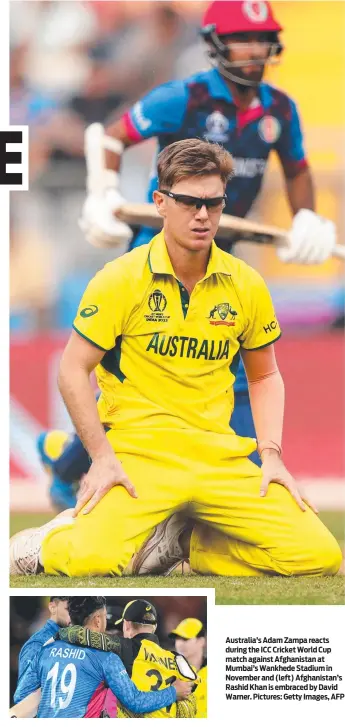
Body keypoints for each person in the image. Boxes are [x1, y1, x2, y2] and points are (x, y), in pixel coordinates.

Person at [10, 138, 342, 580]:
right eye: (188, 202)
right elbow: (73, 370)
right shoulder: (119, 280)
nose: (202, 215)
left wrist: (273, 455)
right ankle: (42, 543)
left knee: (318, 556)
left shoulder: (246, 284)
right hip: (140, 455)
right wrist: (103, 457)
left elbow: (266, 376)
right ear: (160, 203)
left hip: (218, 457)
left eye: (213, 203)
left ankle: (180, 544)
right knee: (91, 560)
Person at [79, 0, 337, 470]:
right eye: (243, 39)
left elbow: (298, 170)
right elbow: (112, 136)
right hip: (156, 251)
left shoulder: (279, 109)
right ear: (217, 43)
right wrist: (102, 193)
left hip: (224, 257)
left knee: (233, 370)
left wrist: (307, 218)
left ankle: (248, 478)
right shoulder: (184, 96)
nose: (254, 50)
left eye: (262, 39)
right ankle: (67, 460)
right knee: (129, 383)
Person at [11, 596, 192, 718]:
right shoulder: (107, 659)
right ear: (98, 620)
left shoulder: (45, 649)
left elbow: (25, 697)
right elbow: (136, 702)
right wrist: (173, 692)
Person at [13, 597, 70, 704]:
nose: (75, 615)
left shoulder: (73, 639)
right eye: (68, 609)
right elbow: (23, 699)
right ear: (53, 608)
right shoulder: (37, 645)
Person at [169, 618, 207, 719]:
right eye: (177, 638)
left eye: (185, 638)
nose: (180, 643)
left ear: (201, 641)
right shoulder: (168, 671)